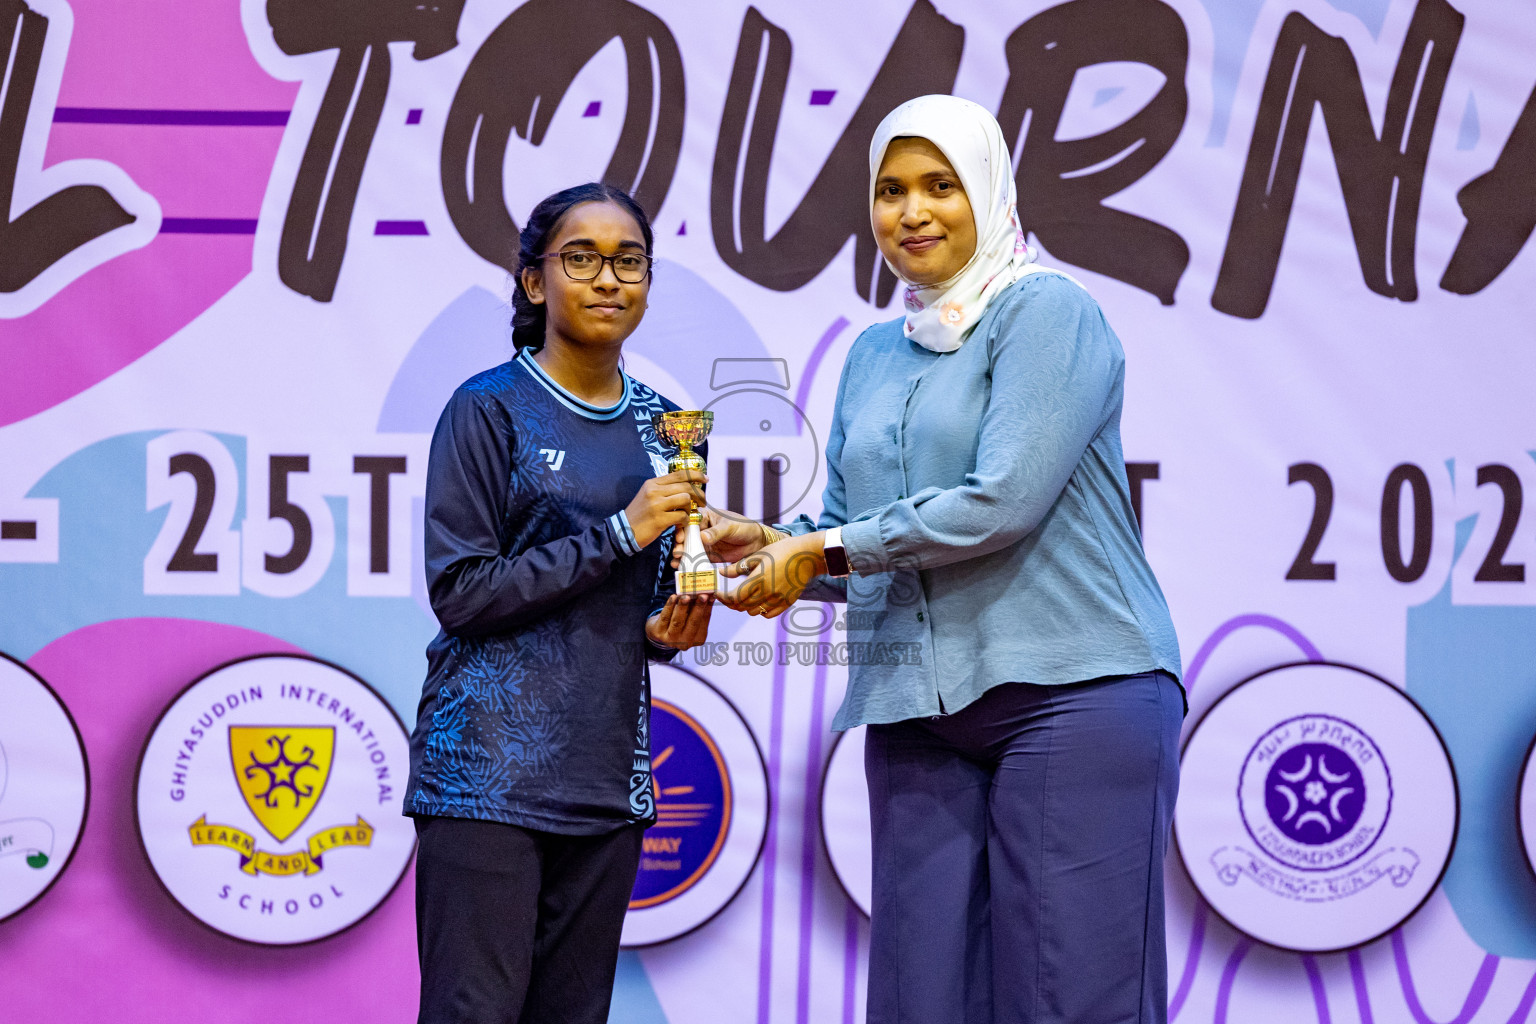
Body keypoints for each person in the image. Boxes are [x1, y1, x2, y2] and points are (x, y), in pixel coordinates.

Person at [706, 95, 1184, 1023]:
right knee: (919, 1001)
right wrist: (777, 543)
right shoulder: (875, 350)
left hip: (1074, 692)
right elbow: (854, 527)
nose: (912, 211)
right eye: (890, 190)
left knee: (1068, 998)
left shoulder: (1048, 311)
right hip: (919, 707)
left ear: (990, 192)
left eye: (940, 186)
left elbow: (1001, 501)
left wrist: (822, 545)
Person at [403, 182, 713, 1024]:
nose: (608, 278)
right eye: (581, 258)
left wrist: (669, 626)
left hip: (606, 783)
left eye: (629, 261)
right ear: (536, 282)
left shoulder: (667, 427)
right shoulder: (486, 408)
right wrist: (618, 532)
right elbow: (461, 592)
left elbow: (637, 607)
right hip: (486, 781)